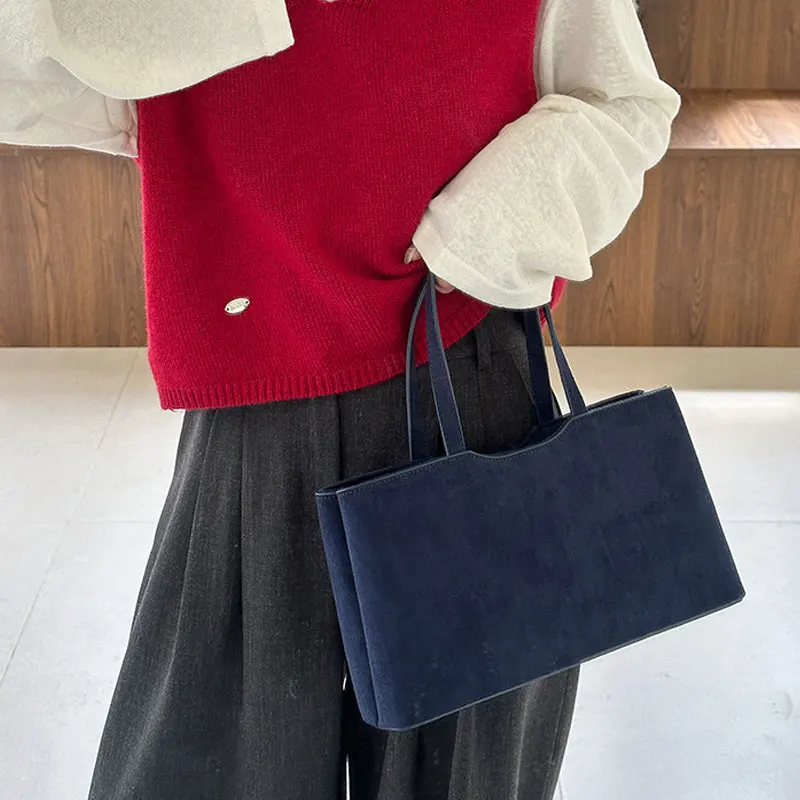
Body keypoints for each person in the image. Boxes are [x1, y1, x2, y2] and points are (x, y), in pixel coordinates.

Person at [0, 0, 680, 797]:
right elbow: (32, 70)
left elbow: (621, 100)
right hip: (260, 388)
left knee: (464, 758)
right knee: (219, 752)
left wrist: (477, 234)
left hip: (465, 360)